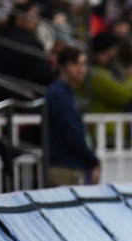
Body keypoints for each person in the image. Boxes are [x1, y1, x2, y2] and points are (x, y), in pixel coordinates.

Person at [46, 46, 100, 186]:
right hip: (64, 168)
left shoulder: (67, 94)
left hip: (73, 165)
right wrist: (92, 160)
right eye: (77, 64)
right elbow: (71, 132)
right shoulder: (58, 94)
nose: (82, 69)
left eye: (84, 64)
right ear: (63, 66)